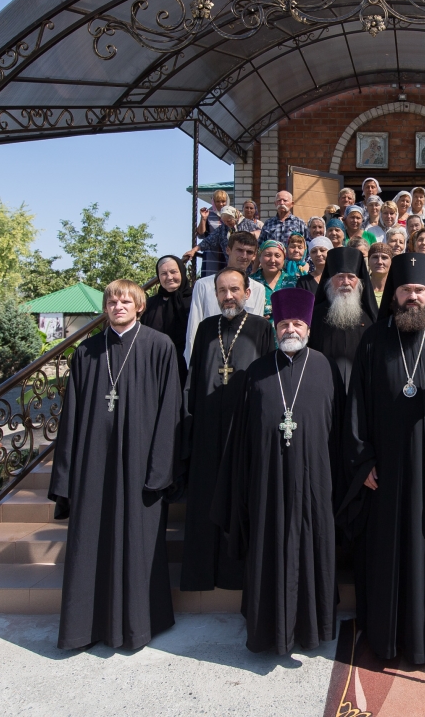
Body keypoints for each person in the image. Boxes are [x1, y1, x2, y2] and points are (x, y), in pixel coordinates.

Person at [342, 253, 425, 667]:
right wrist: (363, 462)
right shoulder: (373, 339)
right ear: (393, 295)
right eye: (405, 290)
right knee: (386, 550)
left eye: (419, 290)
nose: (413, 297)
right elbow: (356, 404)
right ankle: (386, 633)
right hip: (387, 472)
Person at [48, 280, 181, 651]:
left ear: (140, 306)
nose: (118, 305)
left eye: (126, 300)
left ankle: (139, 625)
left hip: (141, 466)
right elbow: (71, 416)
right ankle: (84, 627)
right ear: (105, 307)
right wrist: (66, 476)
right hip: (94, 466)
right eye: (112, 300)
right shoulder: (87, 351)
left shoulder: (159, 346)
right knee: (92, 543)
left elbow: (170, 410)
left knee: (138, 545)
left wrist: (160, 469)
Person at [219, 287, 340, 655]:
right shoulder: (256, 371)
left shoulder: (325, 367)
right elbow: (241, 436)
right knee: (268, 545)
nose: (291, 329)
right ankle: (267, 626)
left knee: (312, 546)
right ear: (275, 327)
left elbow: (337, 430)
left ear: (308, 328)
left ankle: (311, 628)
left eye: (298, 323)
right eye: (284, 323)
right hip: (267, 482)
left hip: (314, 481)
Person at [180, 268, 274, 592]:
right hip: (208, 429)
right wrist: (189, 426)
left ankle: (237, 576)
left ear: (248, 293)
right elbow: (192, 380)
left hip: (243, 430)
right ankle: (203, 574)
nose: (228, 295)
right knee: (205, 501)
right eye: (222, 291)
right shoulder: (206, 328)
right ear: (215, 295)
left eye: (234, 289)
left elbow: (269, 382)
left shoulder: (262, 328)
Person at [184, 231, 265, 360]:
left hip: (243, 360)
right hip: (210, 357)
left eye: (249, 252)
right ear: (228, 250)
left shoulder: (258, 289)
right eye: (239, 250)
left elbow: (256, 332)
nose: (244, 256)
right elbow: (193, 330)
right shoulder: (204, 285)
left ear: (255, 255)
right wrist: (193, 367)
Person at [308, 247, 379, 389]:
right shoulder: (315, 314)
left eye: (351, 277)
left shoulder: (370, 316)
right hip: (323, 385)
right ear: (329, 281)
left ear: (359, 282)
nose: (346, 282)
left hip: (361, 386)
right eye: (340, 277)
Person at [141, 255, 192, 382]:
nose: (169, 277)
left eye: (173, 272)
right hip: (155, 367)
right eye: (163, 273)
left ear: (182, 271)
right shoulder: (150, 304)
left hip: (187, 366)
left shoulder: (194, 300)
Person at [252, 240, 299, 323]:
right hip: (257, 333)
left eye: (277, 256)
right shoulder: (250, 282)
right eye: (268, 255)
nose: (272, 260)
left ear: (284, 259)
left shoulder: (295, 282)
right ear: (259, 257)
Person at [197, 190, 230, 276]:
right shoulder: (208, 213)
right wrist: (203, 218)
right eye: (217, 201)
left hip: (227, 252)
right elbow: (201, 234)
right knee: (210, 280)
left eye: (223, 201)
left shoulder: (231, 213)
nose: (221, 204)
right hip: (211, 253)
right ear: (213, 202)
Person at [367, 240, 391, 305]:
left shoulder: (396, 290)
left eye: (384, 257)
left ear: (391, 262)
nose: (379, 262)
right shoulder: (361, 289)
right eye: (375, 257)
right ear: (368, 261)